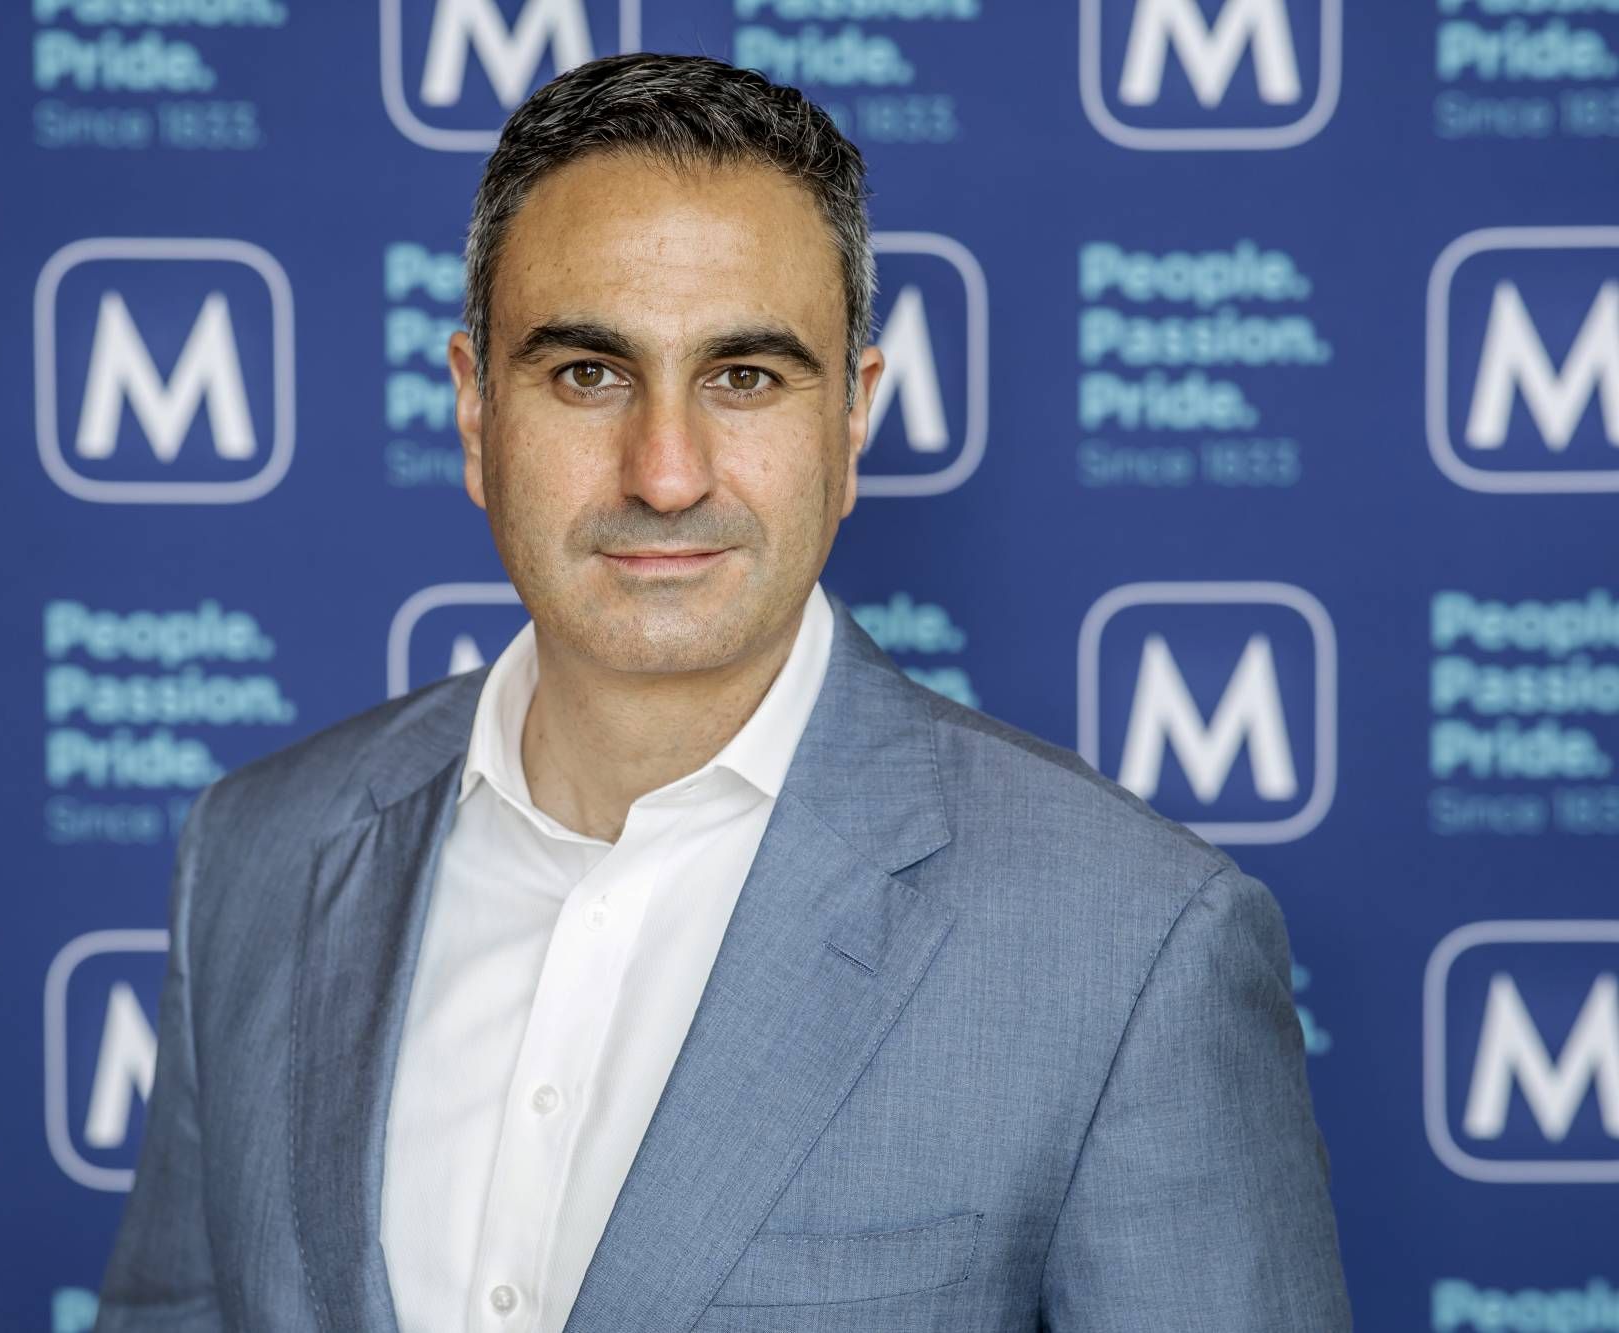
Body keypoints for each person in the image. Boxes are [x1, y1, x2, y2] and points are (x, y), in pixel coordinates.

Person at [94, 52, 1350, 1333]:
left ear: (850, 422)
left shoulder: (1132, 943)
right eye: (587, 373)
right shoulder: (255, 852)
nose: (665, 472)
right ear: (475, 414)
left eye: (743, 377)